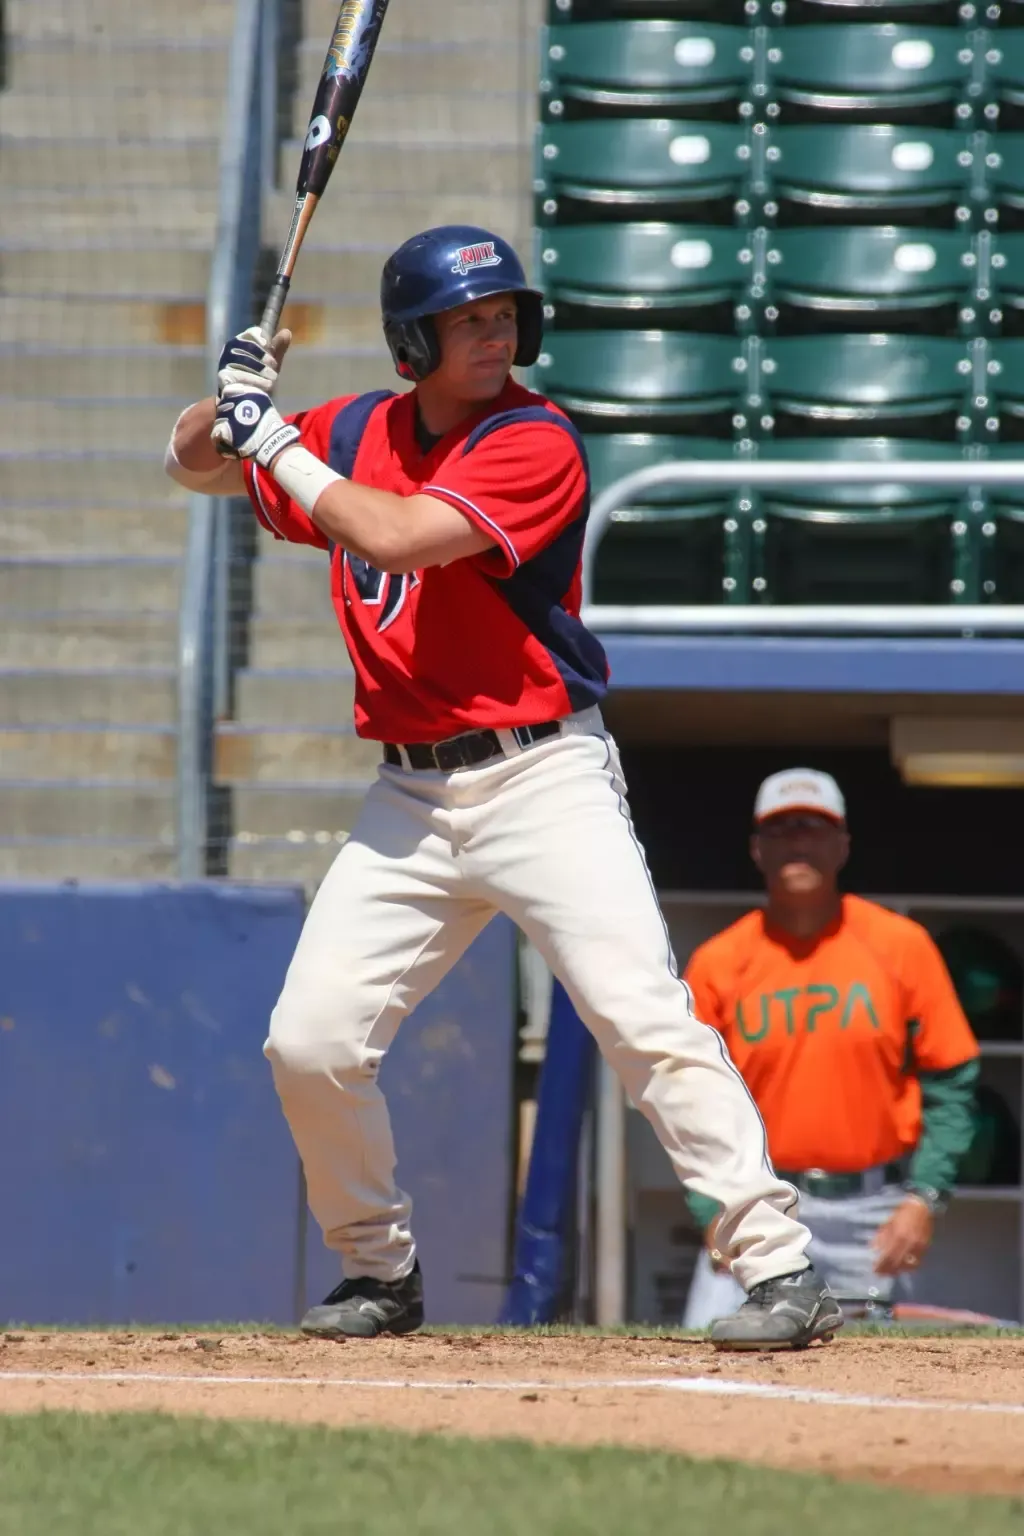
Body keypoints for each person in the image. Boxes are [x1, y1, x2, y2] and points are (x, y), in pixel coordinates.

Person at [164, 224, 840, 1351]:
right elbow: (194, 464)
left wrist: (272, 441)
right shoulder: (354, 429)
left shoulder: (534, 439)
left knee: (637, 1013)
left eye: (501, 316)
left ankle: (777, 1265)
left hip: (541, 777)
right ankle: (379, 1268)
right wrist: (229, 396)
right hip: (409, 799)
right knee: (310, 1041)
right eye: (465, 321)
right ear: (409, 341)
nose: (492, 335)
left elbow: (395, 533)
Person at [681, 767, 981, 1328]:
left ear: (842, 846)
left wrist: (925, 1199)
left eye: (814, 827)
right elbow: (689, 1100)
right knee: (714, 1364)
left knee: (885, 1385)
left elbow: (952, 1082)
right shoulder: (720, 961)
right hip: (757, 1205)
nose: (798, 840)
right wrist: (710, 1209)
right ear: (756, 849)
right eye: (782, 828)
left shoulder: (901, 946)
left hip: (876, 1216)